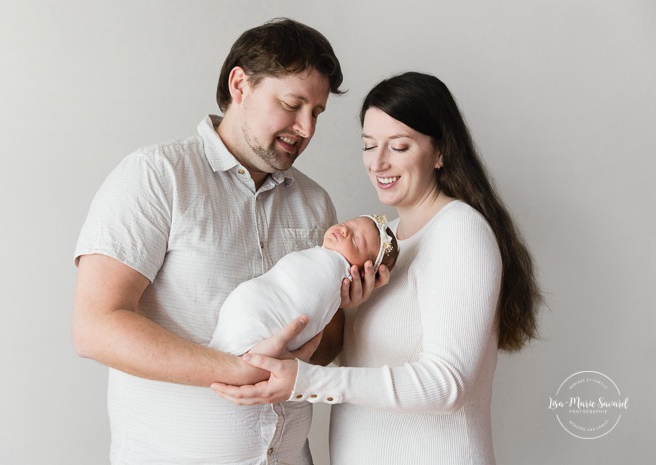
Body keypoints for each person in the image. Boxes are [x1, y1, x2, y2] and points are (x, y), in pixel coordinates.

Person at [72, 18, 390, 465]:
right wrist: (235, 370)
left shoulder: (316, 203)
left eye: (316, 113)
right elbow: (95, 327)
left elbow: (322, 342)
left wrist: (346, 312)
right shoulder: (156, 176)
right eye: (292, 104)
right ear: (240, 84)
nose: (306, 129)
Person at [211, 72, 543, 465]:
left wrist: (304, 382)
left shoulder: (460, 231)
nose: (379, 162)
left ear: (441, 153)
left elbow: (447, 385)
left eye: (399, 146)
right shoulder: (386, 243)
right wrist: (341, 312)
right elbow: (372, 370)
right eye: (369, 146)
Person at [210, 214, 399, 355]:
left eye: (356, 240)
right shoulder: (319, 253)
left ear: (365, 272)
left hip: (266, 322)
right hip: (250, 306)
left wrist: (341, 301)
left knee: (248, 346)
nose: (344, 230)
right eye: (349, 224)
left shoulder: (338, 269)